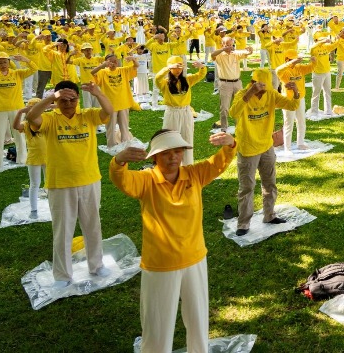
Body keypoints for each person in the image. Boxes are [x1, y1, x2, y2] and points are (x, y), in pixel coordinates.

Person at [111, 130, 237, 353]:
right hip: (160, 263)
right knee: (157, 324)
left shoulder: (194, 175)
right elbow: (121, 179)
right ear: (154, 157)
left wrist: (230, 144)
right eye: (167, 153)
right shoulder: (145, 181)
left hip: (194, 257)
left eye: (178, 151)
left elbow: (218, 162)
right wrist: (119, 160)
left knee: (198, 318)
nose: (173, 157)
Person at [26, 80, 113, 287]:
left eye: (72, 99)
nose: (69, 104)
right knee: (63, 230)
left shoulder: (88, 115)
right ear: (57, 100)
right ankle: (63, 275)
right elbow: (31, 117)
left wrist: (97, 92)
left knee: (92, 225)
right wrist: (50, 99)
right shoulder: (49, 119)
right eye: (63, 100)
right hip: (60, 183)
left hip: (89, 179)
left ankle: (97, 265)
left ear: (78, 99)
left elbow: (109, 110)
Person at [229, 70, 299, 236]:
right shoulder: (241, 94)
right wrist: (250, 94)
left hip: (266, 146)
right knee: (247, 187)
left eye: (264, 88)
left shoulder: (271, 94)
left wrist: (295, 92)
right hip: (248, 148)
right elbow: (233, 113)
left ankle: (269, 215)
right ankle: (244, 223)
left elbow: (292, 105)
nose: (262, 91)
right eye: (259, 87)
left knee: (270, 183)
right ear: (252, 83)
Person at [155, 56, 207, 165]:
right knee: (170, 139)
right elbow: (157, 78)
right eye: (175, 68)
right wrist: (168, 67)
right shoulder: (164, 83)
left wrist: (202, 67)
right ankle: (170, 165)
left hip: (186, 112)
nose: (178, 71)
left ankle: (187, 165)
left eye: (180, 68)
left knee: (187, 138)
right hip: (172, 112)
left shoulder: (187, 80)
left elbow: (200, 75)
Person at [0, 51, 36, 168]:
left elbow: (34, 69)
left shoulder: (17, 74)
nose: (3, 65)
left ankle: (22, 158)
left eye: (5, 62)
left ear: (9, 62)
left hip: (17, 109)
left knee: (19, 134)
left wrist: (25, 59)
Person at [91, 54, 139, 148]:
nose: (113, 63)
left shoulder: (123, 70)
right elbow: (92, 73)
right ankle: (111, 145)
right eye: (110, 61)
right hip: (109, 105)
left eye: (115, 61)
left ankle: (125, 143)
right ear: (106, 62)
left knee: (124, 126)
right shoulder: (103, 72)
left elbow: (136, 66)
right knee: (110, 127)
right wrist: (102, 66)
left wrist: (133, 59)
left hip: (123, 102)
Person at [13, 98, 47, 218]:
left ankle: (53, 203)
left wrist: (48, 104)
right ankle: (34, 210)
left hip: (49, 157)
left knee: (50, 183)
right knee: (34, 184)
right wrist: (19, 112)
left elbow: (57, 108)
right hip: (34, 158)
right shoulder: (26, 124)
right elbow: (16, 126)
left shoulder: (47, 120)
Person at [276, 52, 316, 152]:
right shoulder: (284, 71)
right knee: (288, 123)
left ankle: (300, 143)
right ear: (286, 60)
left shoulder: (299, 68)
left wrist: (314, 61)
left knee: (301, 121)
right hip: (288, 100)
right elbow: (278, 70)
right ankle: (287, 148)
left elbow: (311, 68)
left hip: (300, 98)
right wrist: (293, 62)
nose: (295, 62)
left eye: (296, 59)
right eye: (291, 60)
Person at [211, 37, 252, 130]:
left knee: (240, 105)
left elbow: (247, 53)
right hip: (225, 84)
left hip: (237, 82)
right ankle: (224, 128)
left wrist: (250, 50)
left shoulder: (235, 54)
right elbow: (212, 54)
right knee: (224, 108)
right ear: (222, 45)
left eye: (231, 45)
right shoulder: (219, 55)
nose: (229, 47)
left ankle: (240, 127)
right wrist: (223, 50)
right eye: (227, 45)